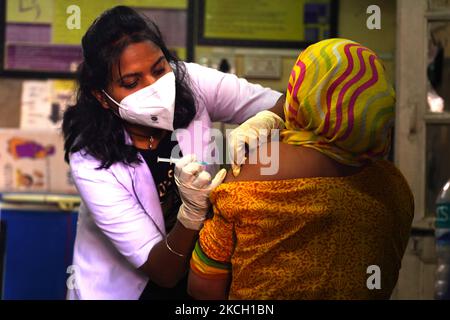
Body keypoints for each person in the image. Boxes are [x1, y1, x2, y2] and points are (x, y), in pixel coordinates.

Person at [62, 6, 285, 300]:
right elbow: (163, 272)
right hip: (131, 286)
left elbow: (289, 105)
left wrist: (267, 121)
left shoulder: (189, 81)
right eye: (131, 82)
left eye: (159, 69)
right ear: (101, 98)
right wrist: (191, 214)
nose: (155, 87)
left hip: (202, 273)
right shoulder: (90, 159)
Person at [188, 38, 415, 300]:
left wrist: (192, 212)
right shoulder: (394, 186)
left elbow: (203, 287)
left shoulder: (252, 173)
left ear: (300, 93)